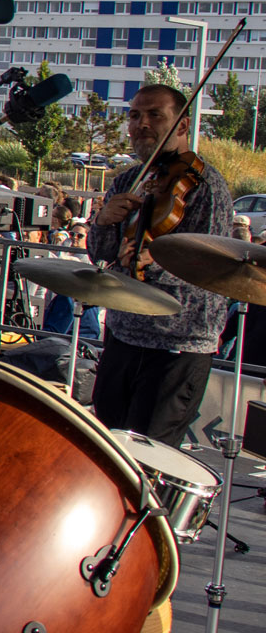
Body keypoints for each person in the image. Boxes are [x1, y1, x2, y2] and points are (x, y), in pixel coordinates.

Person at [88, 83, 234, 446]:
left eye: (156, 115)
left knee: (150, 459)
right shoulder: (128, 179)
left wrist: (150, 263)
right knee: (106, 447)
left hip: (178, 344)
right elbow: (101, 255)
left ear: (182, 126)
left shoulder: (206, 186)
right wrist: (104, 221)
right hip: (123, 333)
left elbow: (210, 266)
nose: (142, 124)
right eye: (135, 115)